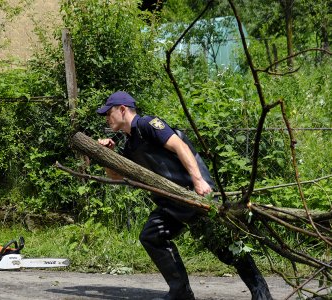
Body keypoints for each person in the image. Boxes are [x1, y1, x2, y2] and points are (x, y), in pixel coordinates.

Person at [96, 91, 273, 300]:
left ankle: (261, 293)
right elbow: (117, 177)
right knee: (152, 236)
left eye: (109, 112)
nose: (107, 117)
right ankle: (181, 292)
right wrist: (107, 157)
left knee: (223, 245)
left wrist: (198, 181)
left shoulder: (148, 124)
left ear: (122, 109)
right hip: (171, 204)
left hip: (193, 194)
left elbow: (180, 146)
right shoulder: (130, 144)